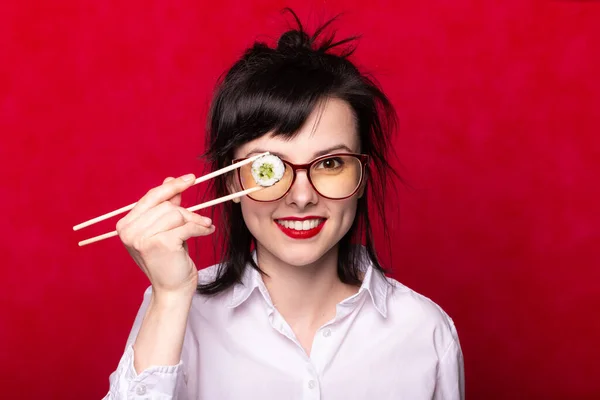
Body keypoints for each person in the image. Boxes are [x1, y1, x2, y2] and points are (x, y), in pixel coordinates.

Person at [103, 10, 464, 400]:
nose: (302, 195)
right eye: (267, 167)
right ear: (232, 180)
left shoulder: (425, 332)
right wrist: (170, 297)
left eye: (330, 164)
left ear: (362, 177)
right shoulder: (178, 311)